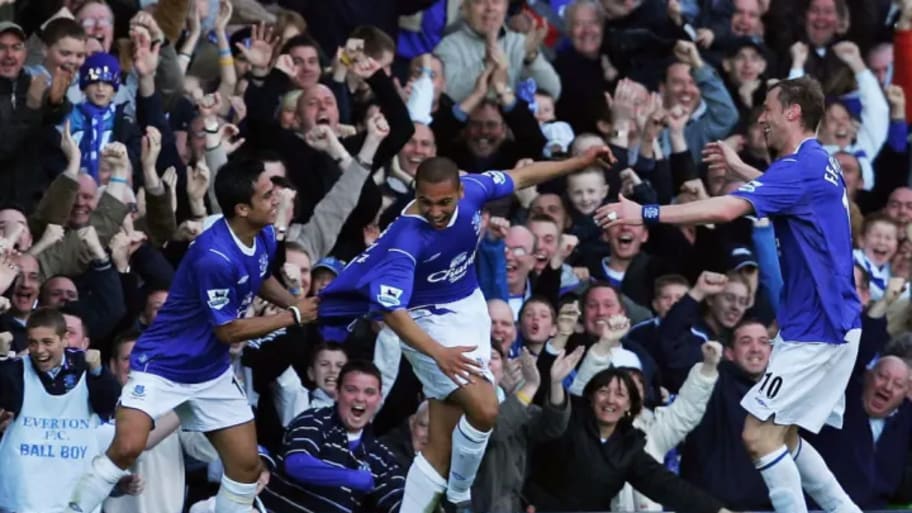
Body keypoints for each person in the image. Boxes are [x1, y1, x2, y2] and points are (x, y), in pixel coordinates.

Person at [596, 75, 863, 513]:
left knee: (758, 436)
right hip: (828, 324)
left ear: (793, 111)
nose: (762, 117)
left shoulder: (800, 167)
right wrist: (741, 169)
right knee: (786, 436)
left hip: (819, 329)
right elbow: (783, 192)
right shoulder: (818, 162)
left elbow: (724, 208)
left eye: (769, 108)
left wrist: (642, 211)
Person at [319, 145, 614, 512]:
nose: (436, 212)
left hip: (469, 305)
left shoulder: (476, 188)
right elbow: (392, 312)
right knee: (486, 409)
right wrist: (438, 353)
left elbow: (523, 176)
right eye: (426, 202)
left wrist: (579, 162)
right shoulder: (406, 238)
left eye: (444, 202)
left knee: (441, 437)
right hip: (424, 319)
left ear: (460, 190)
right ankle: (460, 492)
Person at [66, 157, 321, 513]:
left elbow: (260, 276)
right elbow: (228, 330)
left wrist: (294, 300)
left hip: (210, 372)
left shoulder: (261, 232)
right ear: (242, 208)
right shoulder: (214, 256)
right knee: (127, 446)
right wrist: (293, 315)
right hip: (165, 365)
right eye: (267, 194)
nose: (276, 199)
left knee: (246, 468)